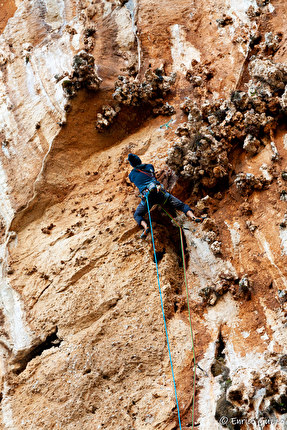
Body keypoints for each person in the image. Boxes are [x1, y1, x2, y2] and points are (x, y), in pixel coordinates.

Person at [128, 153, 202, 238]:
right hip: (160, 194)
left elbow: (134, 180)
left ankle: (146, 227)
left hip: (148, 198)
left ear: (132, 164)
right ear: (139, 160)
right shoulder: (149, 166)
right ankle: (193, 217)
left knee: (137, 215)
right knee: (181, 205)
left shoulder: (131, 175)